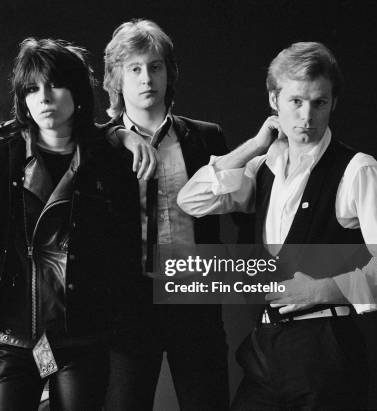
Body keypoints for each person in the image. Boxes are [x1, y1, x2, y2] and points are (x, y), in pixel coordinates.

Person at [177, 41, 377, 409]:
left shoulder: (359, 170)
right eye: (296, 101)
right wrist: (253, 145)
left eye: (320, 102)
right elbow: (192, 200)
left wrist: (323, 290)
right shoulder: (262, 167)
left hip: (326, 350)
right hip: (266, 347)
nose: (307, 116)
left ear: (333, 103)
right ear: (274, 101)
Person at [0, 38, 142, 410]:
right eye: (32, 88)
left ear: (77, 91)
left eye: (54, 85)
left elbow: (125, 258)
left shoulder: (110, 164)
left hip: (82, 343)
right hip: (8, 342)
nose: (44, 98)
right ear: (22, 98)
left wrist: (120, 337)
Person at [102, 19, 230, 410]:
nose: (146, 79)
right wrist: (113, 134)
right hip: (128, 303)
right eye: (134, 69)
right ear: (116, 79)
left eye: (155, 67)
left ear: (169, 73)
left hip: (194, 294)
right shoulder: (101, 144)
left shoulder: (207, 137)